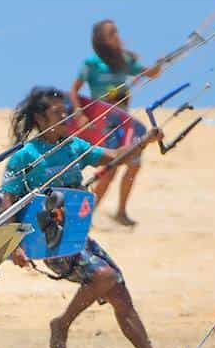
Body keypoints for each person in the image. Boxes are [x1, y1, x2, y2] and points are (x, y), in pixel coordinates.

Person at [3, 87, 184, 348]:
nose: (65, 117)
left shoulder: (74, 147)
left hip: (78, 236)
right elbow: (8, 204)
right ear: (39, 117)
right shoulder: (24, 158)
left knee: (119, 291)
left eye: (66, 112)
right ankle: (62, 322)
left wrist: (144, 141)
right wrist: (15, 247)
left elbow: (114, 156)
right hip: (51, 242)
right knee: (105, 276)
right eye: (57, 113)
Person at [70, 19, 171, 227]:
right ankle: (86, 217)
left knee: (134, 164)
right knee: (110, 168)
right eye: (111, 33)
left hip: (124, 121)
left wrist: (161, 63)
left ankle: (121, 212)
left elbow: (150, 74)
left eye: (116, 32)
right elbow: (74, 90)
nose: (117, 36)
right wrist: (79, 113)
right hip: (104, 122)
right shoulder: (91, 64)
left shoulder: (123, 61)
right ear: (101, 39)